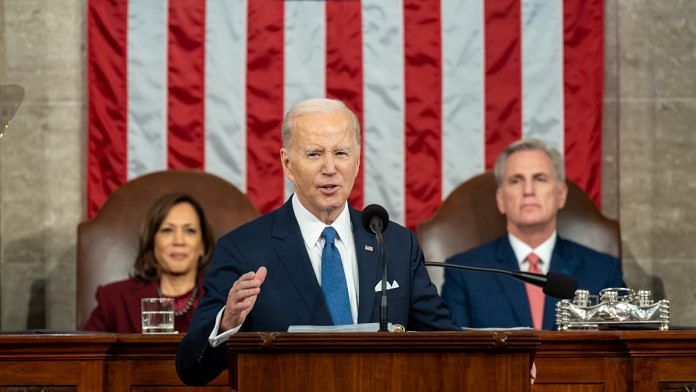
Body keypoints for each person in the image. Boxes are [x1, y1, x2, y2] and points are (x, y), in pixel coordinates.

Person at [176, 98, 457, 386]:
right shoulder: (244, 249)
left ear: (358, 161)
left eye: (341, 153)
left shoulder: (395, 244)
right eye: (314, 154)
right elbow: (191, 369)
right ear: (287, 163)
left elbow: (449, 346)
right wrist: (228, 322)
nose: (330, 167)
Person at [441, 139, 625, 330]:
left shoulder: (603, 271)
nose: (528, 191)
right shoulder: (464, 272)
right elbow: (455, 355)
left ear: (561, 195)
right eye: (516, 181)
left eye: (540, 179)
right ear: (501, 199)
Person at [83, 193, 215, 333]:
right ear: (152, 242)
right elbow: (84, 352)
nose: (179, 241)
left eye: (190, 231)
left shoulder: (222, 301)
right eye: (167, 230)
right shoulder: (114, 299)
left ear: (203, 245)